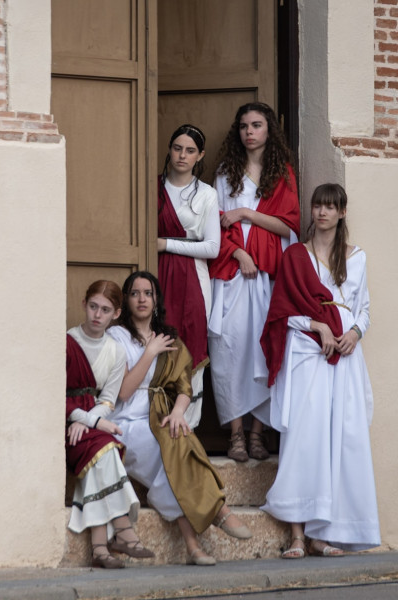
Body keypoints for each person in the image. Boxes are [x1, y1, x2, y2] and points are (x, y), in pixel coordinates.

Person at [260, 183, 380, 558]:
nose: (322, 212)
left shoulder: (356, 257)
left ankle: (322, 535)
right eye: (317, 206)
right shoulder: (297, 255)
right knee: (306, 439)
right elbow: (281, 310)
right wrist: (319, 326)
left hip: (345, 355)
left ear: (342, 212)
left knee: (340, 441)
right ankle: (297, 534)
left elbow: (363, 309)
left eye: (330, 207)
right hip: (306, 351)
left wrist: (355, 334)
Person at [108, 271, 252, 566]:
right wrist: (149, 353)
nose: (142, 299)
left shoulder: (169, 338)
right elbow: (123, 392)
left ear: (156, 299)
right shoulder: (117, 336)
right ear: (127, 299)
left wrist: (177, 412)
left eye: (148, 293)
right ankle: (217, 510)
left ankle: (193, 546)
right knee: (173, 454)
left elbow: (184, 387)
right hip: (125, 424)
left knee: (175, 445)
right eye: (135, 293)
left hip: (159, 419)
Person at [208, 102, 300, 462]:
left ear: (268, 130)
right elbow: (214, 223)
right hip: (233, 272)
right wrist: (237, 254)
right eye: (244, 125)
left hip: (267, 275)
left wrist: (246, 212)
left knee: (265, 348)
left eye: (257, 125)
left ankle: (258, 433)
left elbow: (288, 226)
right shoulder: (224, 172)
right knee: (230, 350)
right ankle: (235, 435)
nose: (250, 131)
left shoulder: (283, 175)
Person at [66, 280, 154, 569]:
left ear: (116, 314)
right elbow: (54, 397)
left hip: (92, 423)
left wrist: (92, 421)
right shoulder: (67, 342)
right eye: (93, 306)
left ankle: (100, 548)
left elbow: (108, 399)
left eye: (105, 310)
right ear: (84, 305)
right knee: (106, 448)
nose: (97, 315)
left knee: (102, 451)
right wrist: (87, 420)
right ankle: (123, 530)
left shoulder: (115, 351)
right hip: (65, 423)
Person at [157, 124, 220, 429]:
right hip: (154, 277)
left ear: (200, 156)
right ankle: (154, 422)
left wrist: (166, 244)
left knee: (190, 342)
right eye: (177, 148)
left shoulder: (207, 194)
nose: (182, 155)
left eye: (190, 150)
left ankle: (186, 427)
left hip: (193, 278)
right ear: (169, 149)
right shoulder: (152, 187)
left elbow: (212, 248)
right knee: (153, 343)